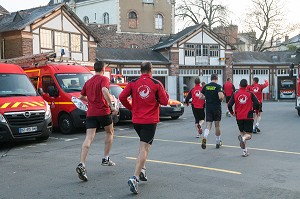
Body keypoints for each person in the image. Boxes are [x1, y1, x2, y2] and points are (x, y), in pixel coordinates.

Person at [119, 61, 169, 194]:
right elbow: (164, 101)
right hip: (149, 121)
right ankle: (134, 177)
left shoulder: (133, 83)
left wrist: (132, 108)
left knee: (143, 146)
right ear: (151, 70)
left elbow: (122, 97)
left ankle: (142, 170)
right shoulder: (156, 84)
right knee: (144, 148)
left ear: (140, 70)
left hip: (137, 121)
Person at [75, 60, 119, 181]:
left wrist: (91, 101)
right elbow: (105, 91)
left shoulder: (88, 82)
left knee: (88, 138)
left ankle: (82, 163)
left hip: (91, 113)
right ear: (103, 69)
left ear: (94, 69)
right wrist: (112, 106)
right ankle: (105, 158)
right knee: (110, 132)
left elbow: (81, 96)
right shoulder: (104, 79)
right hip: (103, 112)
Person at [228, 79, 259, 157]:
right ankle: (244, 139)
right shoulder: (250, 93)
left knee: (242, 133)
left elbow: (229, 105)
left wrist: (232, 112)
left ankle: (244, 152)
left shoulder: (235, 94)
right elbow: (257, 103)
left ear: (239, 85)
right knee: (249, 135)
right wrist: (255, 109)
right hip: (248, 116)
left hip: (239, 116)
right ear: (247, 85)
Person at [200, 74, 224, 149]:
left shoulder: (206, 86)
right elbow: (220, 96)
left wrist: (207, 97)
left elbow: (200, 97)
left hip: (208, 107)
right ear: (216, 79)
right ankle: (218, 142)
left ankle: (205, 137)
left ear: (211, 79)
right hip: (216, 107)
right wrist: (222, 98)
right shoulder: (218, 86)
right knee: (217, 125)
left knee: (208, 125)